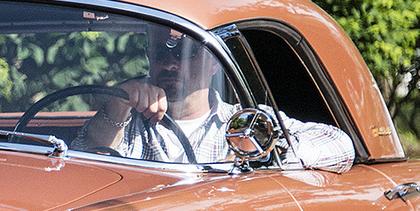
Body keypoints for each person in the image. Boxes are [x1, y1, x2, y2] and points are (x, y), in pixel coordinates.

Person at [76, 30, 356, 172]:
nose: (170, 65)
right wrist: (118, 102)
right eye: (160, 53)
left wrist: (267, 152)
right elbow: (84, 165)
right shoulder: (127, 123)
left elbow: (340, 143)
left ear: (213, 64)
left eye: (187, 53)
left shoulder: (246, 121)